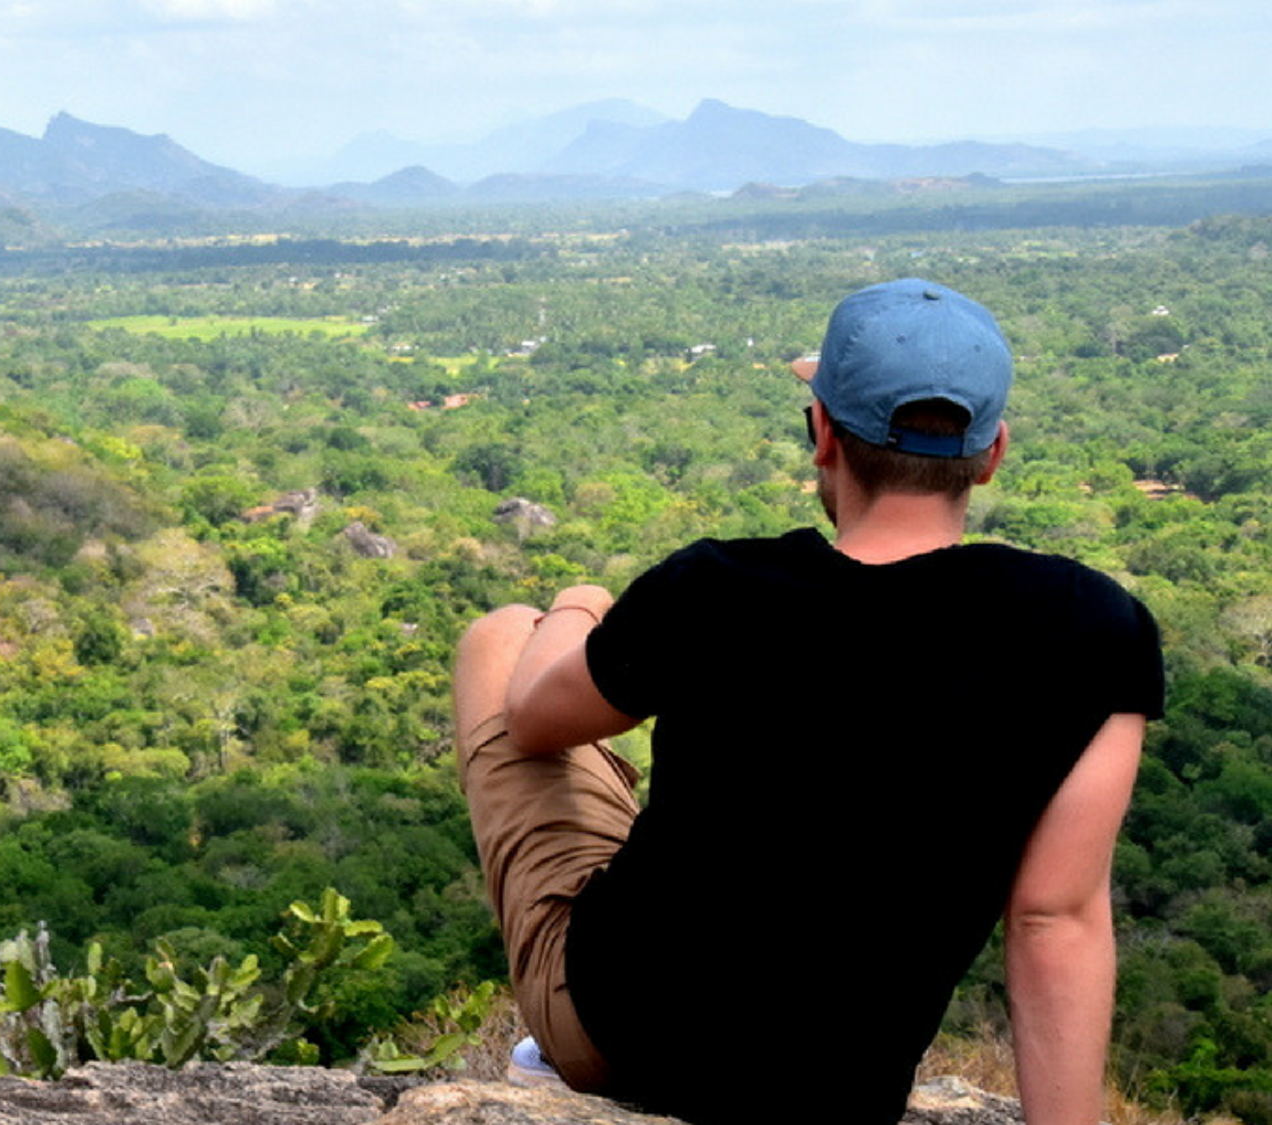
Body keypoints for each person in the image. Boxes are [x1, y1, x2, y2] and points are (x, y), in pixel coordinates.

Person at [454, 278, 1164, 1125]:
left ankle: (557, 1055)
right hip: (840, 1087)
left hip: (621, 1029)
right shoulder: (1094, 629)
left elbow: (532, 718)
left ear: (822, 433)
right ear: (993, 451)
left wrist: (579, 600)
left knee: (499, 637)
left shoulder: (713, 587)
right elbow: (1054, 917)